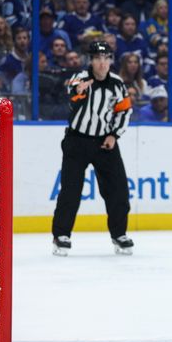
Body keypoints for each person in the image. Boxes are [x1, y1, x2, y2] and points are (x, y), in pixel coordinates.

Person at [52, 41, 134, 257]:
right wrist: (78, 93)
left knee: (118, 190)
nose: (102, 62)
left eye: (106, 58)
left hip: (104, 143)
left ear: (111, 60)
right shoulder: (79, 78)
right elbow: (71, 99)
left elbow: (124, 112)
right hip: (77, 141)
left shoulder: (117, 84)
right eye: (97, 58)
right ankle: (61, 235)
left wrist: (113, 135)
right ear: (91, 60)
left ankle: (119, 234)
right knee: (71, 190)